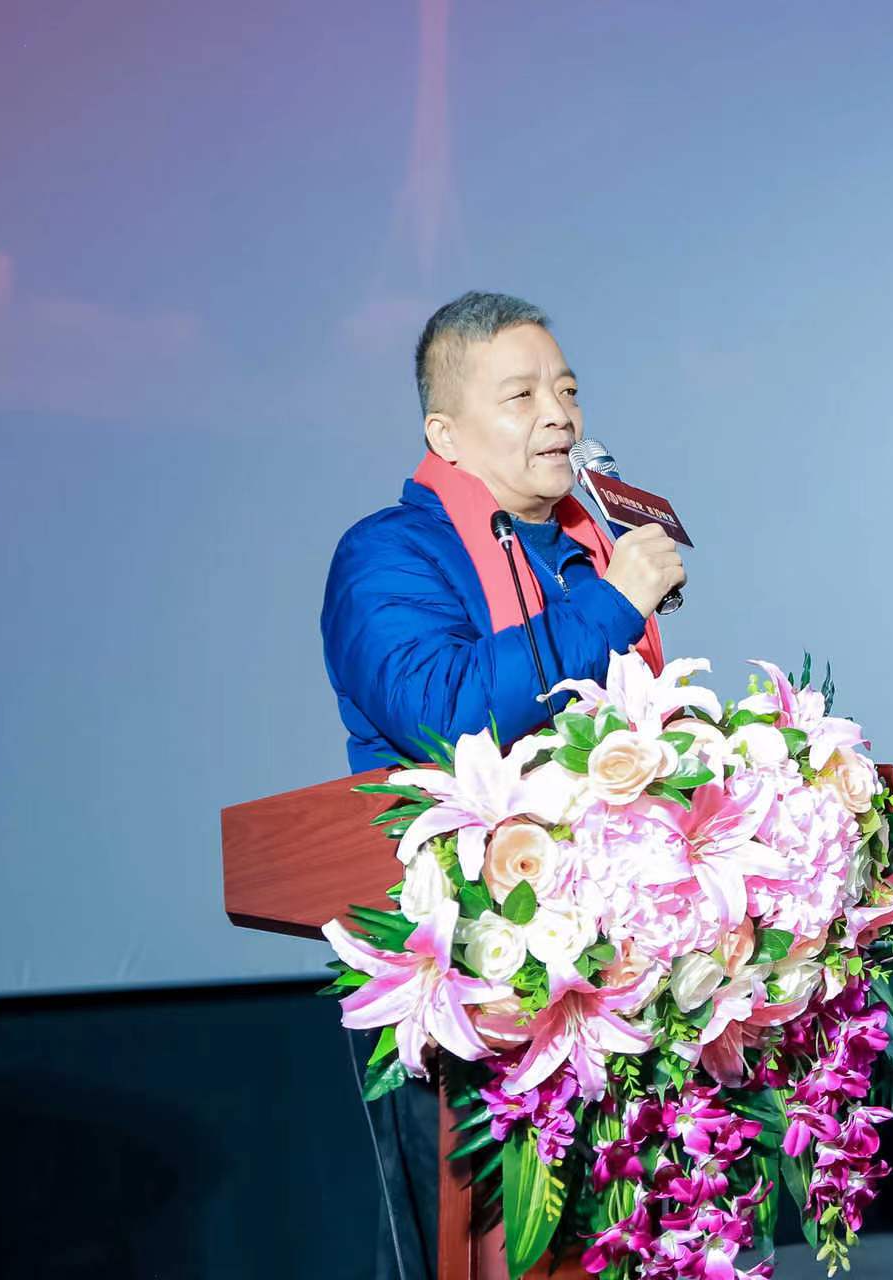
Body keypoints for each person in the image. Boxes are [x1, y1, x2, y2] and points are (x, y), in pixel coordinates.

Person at [320, 291, 686, 1278]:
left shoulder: (588, 551)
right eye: (521, 396)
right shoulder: (387, 554)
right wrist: (612, 604)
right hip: (460, 957)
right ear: (445, 432)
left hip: (617, 956)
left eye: (566, 390)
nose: (557, 415)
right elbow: (443, 709)